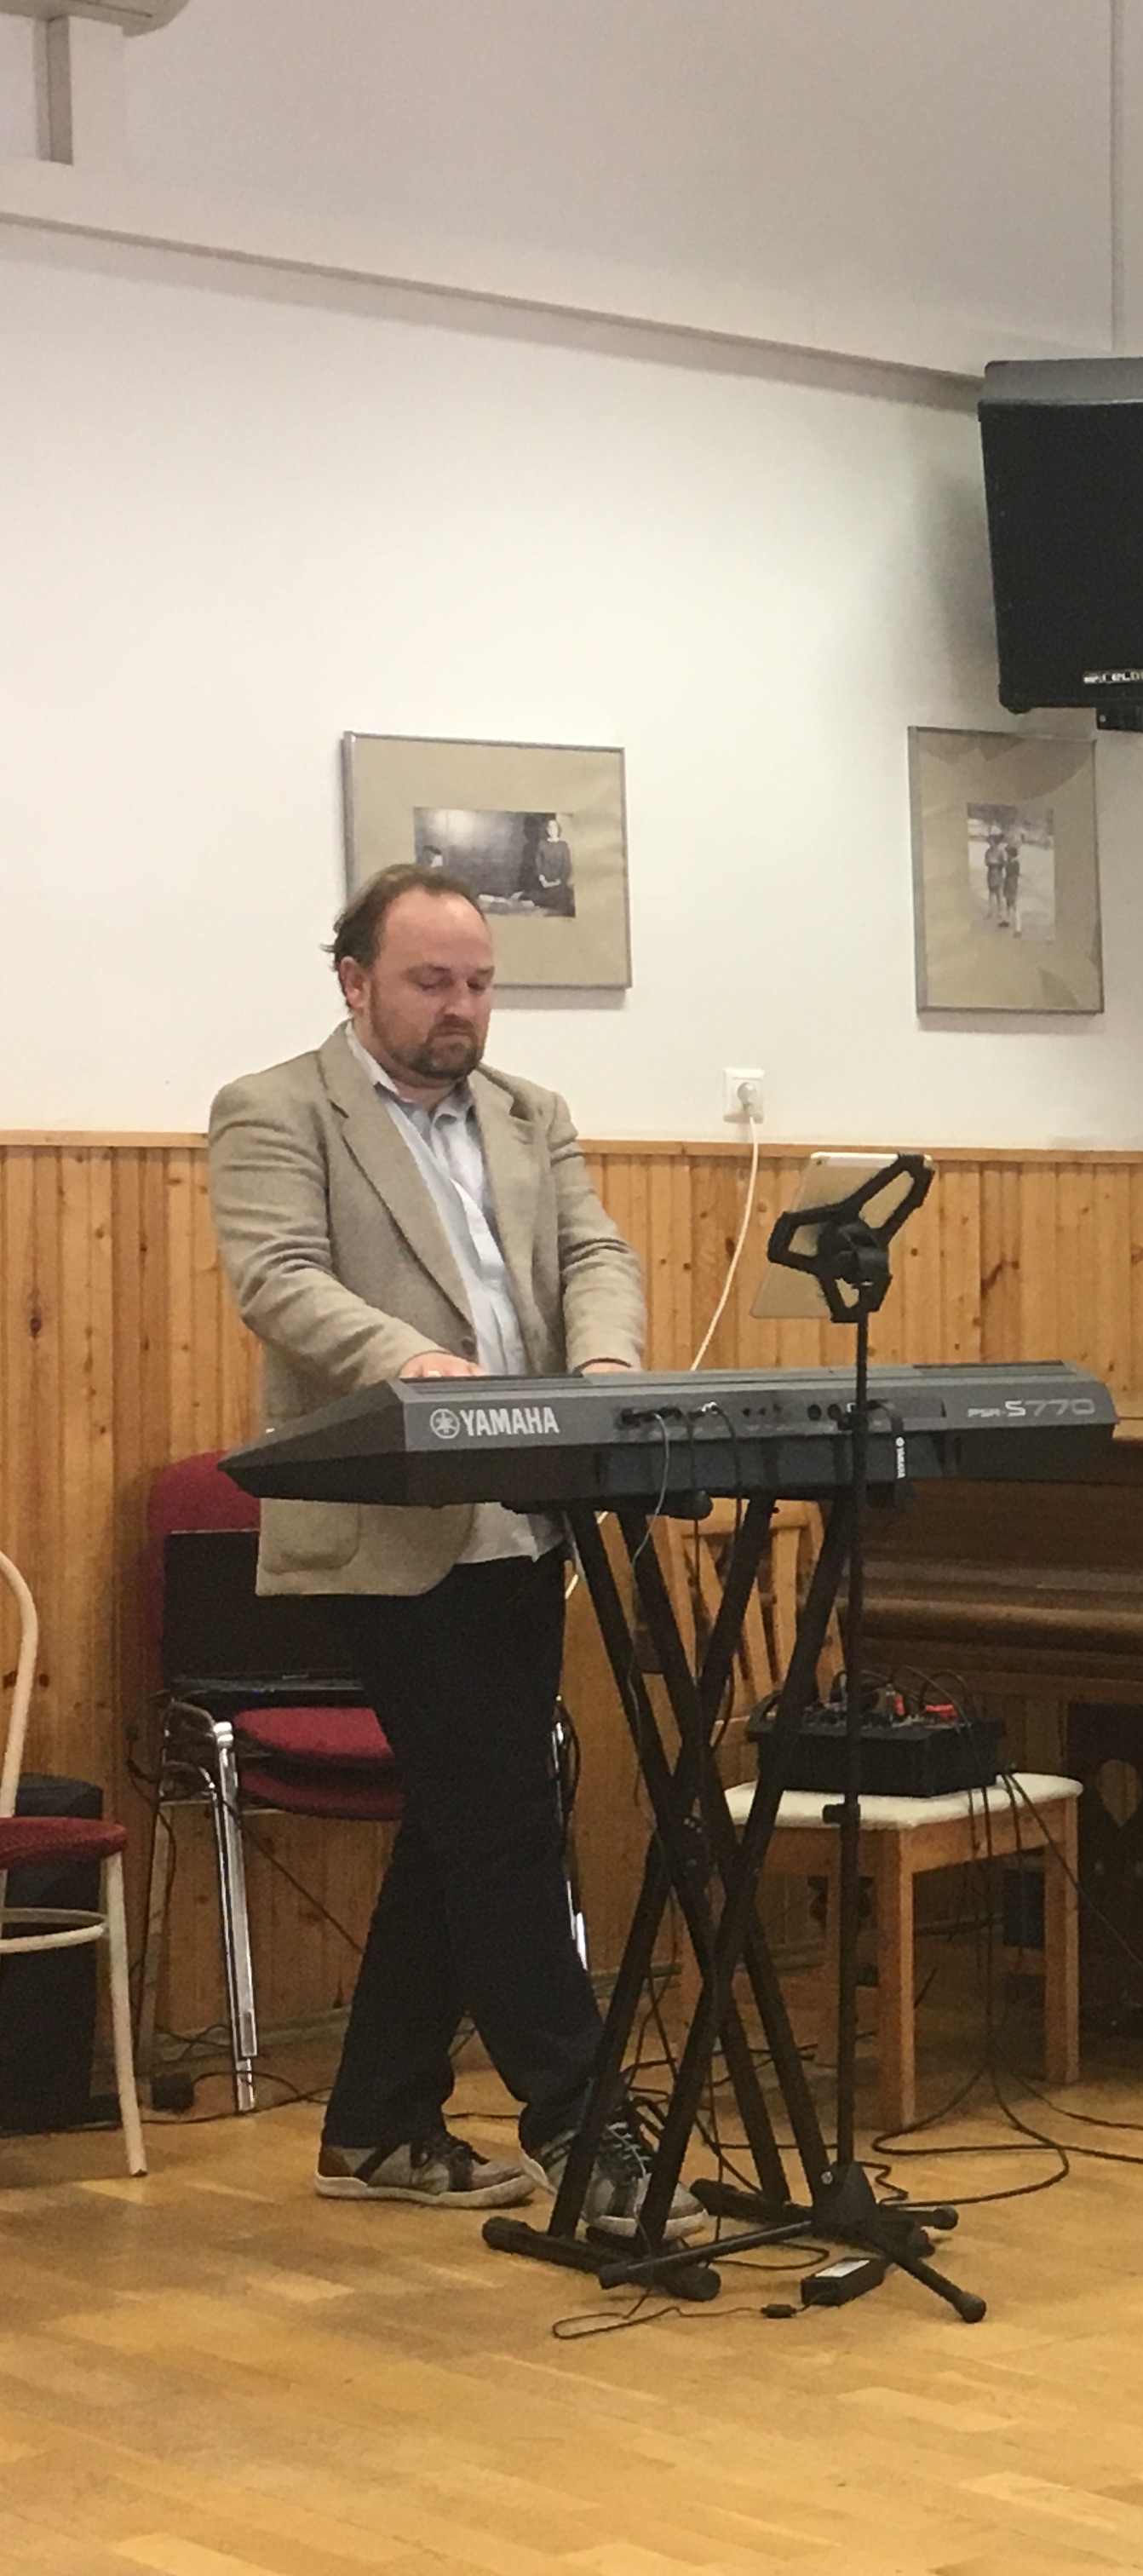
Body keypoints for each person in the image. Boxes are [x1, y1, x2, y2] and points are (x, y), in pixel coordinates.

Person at [208, 863, 699, 2240]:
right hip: (385, 1512)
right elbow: (279, 1277)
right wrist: (412, 1363)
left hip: (523, 1510)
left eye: (479, 983)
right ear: (355, 981)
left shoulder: (532, 1114)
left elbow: (595, 1256)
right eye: (432, 981)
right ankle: (576, 2122)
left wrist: (605, 1365)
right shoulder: (274, 1108)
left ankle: (375, 2122)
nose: (461, 1008)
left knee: (466, 1808)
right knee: (500, 1810)